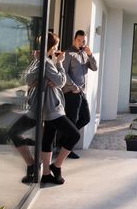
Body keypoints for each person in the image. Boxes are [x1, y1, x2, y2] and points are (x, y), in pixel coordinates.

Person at [12, 32, 80, 185]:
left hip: (47, 107)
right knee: (74, 135)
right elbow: (60, 82)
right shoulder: (47, 62)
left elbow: (33, 79)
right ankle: (52, 167)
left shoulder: (42, 61)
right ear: (51, 47)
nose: (57, 49)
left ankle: (46, 173)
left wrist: (43, 77)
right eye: (56, 46)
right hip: (51, 109)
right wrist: (60, 63)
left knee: (48, 139)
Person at [61, 30, 98, 159]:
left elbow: (94, 68)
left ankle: (64, 140)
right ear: (75, 39)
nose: (82, 43)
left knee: (86, 118)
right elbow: (63, 73)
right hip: (72, 92)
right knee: (71, 120)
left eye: (84, 41)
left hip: (82, 93)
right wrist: (74, 87)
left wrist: (91, 54)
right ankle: (67, 149)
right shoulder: (68, 53)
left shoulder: (84, 53)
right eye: (80, 40)